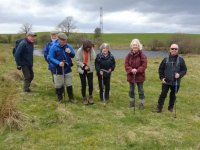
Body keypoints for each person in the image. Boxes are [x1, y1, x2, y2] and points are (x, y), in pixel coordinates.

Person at [155, 44, 187, 113]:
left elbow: (184, 70)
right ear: (170, 49)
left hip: (176, 82)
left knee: (173, 95)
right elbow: (161, 69)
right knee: (163, 94)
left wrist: (179, 74)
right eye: (172, 48)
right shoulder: (165, 59)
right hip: (166, 81)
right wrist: (162, 78)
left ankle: (170, 108)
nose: (174, 50)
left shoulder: (181, 60)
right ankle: (159, 108)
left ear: (178, 50)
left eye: (176, 49)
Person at [48, 32, 75, 103]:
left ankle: (71, 98)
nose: (65, 42)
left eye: (65, 40)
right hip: (57, 69)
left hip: (67, 68)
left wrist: (70, 52)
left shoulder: (68, 46)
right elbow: (50, 57)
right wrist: (58, 63)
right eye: (63, 40)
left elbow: (73, 55)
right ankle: (59, 99)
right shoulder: (53, 47)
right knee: (58, 85)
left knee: (69, 83)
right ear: (59, 39)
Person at [125, 39, 147, 109]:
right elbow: (126, 65)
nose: (135, 46)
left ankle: (141, 104)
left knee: (140, 90)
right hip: (131, 76)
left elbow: (144, 65)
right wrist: (131, 70)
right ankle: (132, 104)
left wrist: (137, 70)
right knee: (131, 90)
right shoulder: (128, 55)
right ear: (131, 46)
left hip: (140, 76)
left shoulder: (142, 55)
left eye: (136, 45)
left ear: (139, 46)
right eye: (134, 45)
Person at [75, 40, 96, 105]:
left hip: (90, 70)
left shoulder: (91, 49)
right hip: (82, 70)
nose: (88, 49)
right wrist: (84, 66)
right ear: (84, 47)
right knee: (83, 84)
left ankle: (90, 96)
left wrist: (92, 49)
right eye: (87, 48)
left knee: (90, 84)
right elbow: (77, 61)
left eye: (89, 48)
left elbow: (94, 57)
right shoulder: (79, 51)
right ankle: (84, 97)